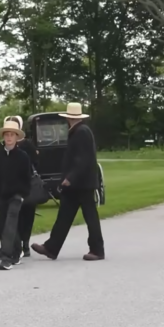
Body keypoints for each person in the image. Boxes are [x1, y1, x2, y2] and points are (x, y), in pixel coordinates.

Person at [31, 102, 104, 261]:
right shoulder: (78, 131)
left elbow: (83, 159)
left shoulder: (81, 132)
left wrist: (70, 178)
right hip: (79, 183)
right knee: (64, 215)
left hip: (81, 183)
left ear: (70, 117)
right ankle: (51, 247)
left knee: (90, 216)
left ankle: (97, 249)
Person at [0, 118, 31, 270]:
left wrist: (22, 194)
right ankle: (17, 251)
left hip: (16, 196)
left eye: (12, 135)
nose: (9, 137)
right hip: (2, 196)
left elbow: (27, 178)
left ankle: (6, 257)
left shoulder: (23, 157)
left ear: (16, 137)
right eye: (6, 134)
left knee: (10, 224)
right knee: (4, 224)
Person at [3, 115, 39, 258]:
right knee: (13, 217)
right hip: (11, 189)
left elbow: (35, 163)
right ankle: (13, 245)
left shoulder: (27, 146)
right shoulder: (5, 147)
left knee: (27, 216)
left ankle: (25, 243)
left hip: (26, 186)